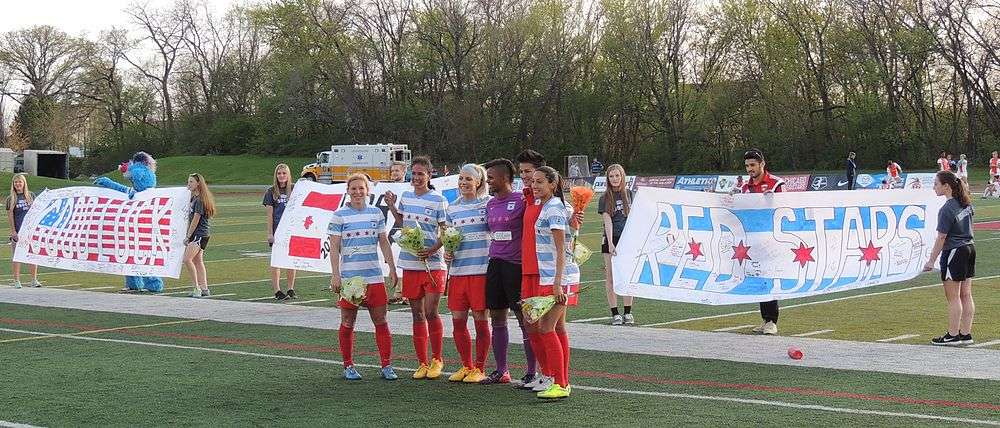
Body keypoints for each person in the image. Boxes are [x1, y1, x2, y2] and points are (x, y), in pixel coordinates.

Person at [329, 173, 399, 380]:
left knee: (381, 321)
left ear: (367, 191)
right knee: (348, 322)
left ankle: (386, 365)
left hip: (374, 278)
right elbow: (334, 246)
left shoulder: (376, 213)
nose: (358, 192)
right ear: (347, 191)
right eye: (354, 189)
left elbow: (384, 242)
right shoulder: (339, 215)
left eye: (361, 188)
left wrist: (392, 269)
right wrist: (336, 275)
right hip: (350, 280)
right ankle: (348, 365)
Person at [384, 156, 448, 379]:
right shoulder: (407, 197)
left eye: (422, 174)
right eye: (415, 174)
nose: (417, 178)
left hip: (433, 264)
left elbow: (446, 231)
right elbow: (403, 224)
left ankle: (437, 359)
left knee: (431, 312)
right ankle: (422, 362)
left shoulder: (438, 200)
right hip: (410, 264)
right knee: (417, 314)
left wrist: (432, 250)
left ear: (430, 175)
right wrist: (392, 206)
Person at [530, 166, 580, 399]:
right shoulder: (554, 206)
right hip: (551, 276)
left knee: (545, 328)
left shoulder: (553, 209)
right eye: (533, 182)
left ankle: (560, 383)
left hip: (558, 277)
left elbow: (561, 249)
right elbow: (572, 225)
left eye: (540, 182)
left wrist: (558, 284)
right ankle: (561, 381)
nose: (535, 185)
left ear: (552, 184)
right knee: (557, 328)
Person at [444, 164, 492, 383]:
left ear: (479, 182)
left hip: (481, 271)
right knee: (458, 320)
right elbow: (449, 237)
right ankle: (466, 365)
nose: (463, 183)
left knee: (481, 319)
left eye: (468, 179)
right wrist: (448, 251)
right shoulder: (452, 208)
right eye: (461, 179)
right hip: (458, 272)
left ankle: (479, 368)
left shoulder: (488, 204)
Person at [481, 158, 526, 386]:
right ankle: (501, 370)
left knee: (524, 318)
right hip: (495, 263)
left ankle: (531, 372)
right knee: (497, 318)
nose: (487, 180)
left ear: (505, 178)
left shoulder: (521, 200)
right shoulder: (489, 204)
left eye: (491, 177)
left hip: (515, 266)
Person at [923, 171, 976, 346]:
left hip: (955, 251)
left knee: (953, 297)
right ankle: (966, 333)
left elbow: (941, 238)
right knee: (966, 294)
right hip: (969, 248)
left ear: (946, 186)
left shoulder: (947, 208)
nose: (934, 187)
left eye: (936, 184)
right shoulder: (966, 203)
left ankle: (953, 335)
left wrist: (931, 260)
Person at [740, 149, 784, 335]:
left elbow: (786, 208)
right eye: (747, 166)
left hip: (771, 239)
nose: (750, 169)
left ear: (762, 164)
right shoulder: (744, 187)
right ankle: (766, 320)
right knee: (758, 278)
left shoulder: (776, 184)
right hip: (753, 239)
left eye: (753, 165)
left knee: (768, 277)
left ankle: (772, 321)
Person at [600, 164, 635, 325]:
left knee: (628, 276)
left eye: (617, 176)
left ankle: (628, 312)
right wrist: (611, 243)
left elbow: (635, 218)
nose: (614, 179)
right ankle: (615, 313)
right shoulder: (605, 197)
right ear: (608, 178)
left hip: (628, 239)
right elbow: (607, 221)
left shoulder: (630, 194)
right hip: (611, 239)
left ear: (622, 176)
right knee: (611, 277)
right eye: (611, 176)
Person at [264, 164, 297, 300]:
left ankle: (290, 288)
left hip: (291, 230)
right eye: (279, 173)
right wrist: (270, 233)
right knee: (277, 260)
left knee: (291, 260)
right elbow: (270, 214)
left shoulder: (295, 189)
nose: (281, 176)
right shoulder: (271, 191)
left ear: (288, 175)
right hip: (278, 230)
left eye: (284, 173)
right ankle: (277, 290)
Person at [185, 173, 216, 298]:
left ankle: (197, 288)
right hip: (201, 234)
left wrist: (188, 236)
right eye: (188, 181)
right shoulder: (195, 198)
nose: (189, 184)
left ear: (198, 183)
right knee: (198, 261)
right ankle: (204, 288)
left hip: (199, 234)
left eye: (191, 182)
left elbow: (195, 219)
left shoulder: (199, 200)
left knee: (187, 259)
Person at [6, 174, 38, 289]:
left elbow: (36, 213)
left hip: (30, 232)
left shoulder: (31, 195)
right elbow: (10, 217)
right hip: (18, 231)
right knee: (17, 256)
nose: (18, 184)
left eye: (20, 182)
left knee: (32, 255)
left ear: (24, 183)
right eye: (16, 182)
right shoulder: (11, 199)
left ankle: (34, 280)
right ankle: (16, 281)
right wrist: (13, 231)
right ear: (13, 185)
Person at [387, 161, 409, 305]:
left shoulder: (409, 189)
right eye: (392, 171)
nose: (394, 173)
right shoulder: (386, 187)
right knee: (394, 259)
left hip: (405, 227)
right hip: (391, 227)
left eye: (397, 171)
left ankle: (405, 293)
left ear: (404, 172)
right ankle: (398, 292)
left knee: (405, 260)